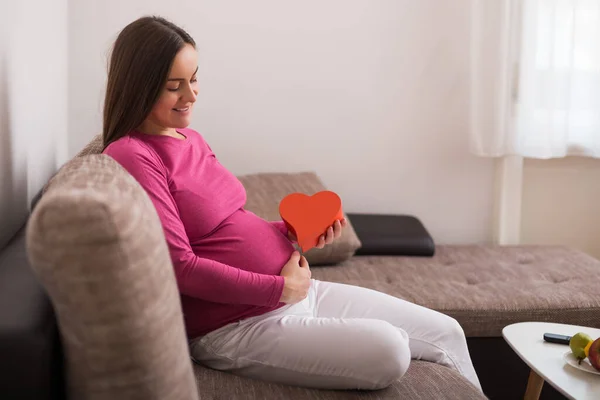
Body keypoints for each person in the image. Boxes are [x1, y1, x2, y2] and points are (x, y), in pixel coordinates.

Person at [102, 16, 482, 392]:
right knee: (391, 350)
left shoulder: (191, 139)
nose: (192, 95)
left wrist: (291, 232)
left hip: (297, 290)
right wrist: (277, 290)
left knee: (447, 330)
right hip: (238, 325)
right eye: (174, 86)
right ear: (140, 86)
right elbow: (180, 266)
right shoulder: (133, 155)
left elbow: (232, 222)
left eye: (194, 78)